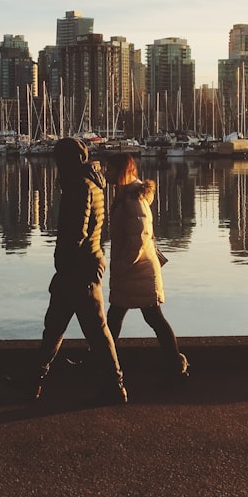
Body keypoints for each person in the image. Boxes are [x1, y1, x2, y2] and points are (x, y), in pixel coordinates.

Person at [6, 136, 127, 405]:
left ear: (68, 161)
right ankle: (35, 380)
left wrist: (62, 262)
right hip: (87, 262)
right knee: (55, 326)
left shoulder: (79, 186)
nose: (57, 164)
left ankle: (115, 385)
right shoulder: (94, 184)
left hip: (78, 267)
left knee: (95, 330)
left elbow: (76, 231)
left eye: (59, 159)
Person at [103, 152, 189, 378]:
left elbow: (139, 238)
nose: (106, 173)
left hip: (136, 270)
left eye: (109, 169)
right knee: (123, 317)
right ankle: (104, 361)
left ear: (121, 172)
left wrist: (121, 265)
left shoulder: (132, 199)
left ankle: (175, 363)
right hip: (135, 270)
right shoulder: (125, 195)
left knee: (149, 317)